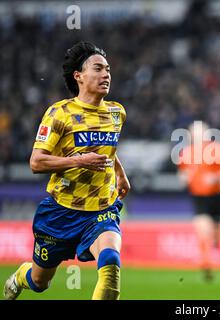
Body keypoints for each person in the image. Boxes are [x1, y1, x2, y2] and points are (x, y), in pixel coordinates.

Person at [3, 42, 130, 300]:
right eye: (98, 68)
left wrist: (119, 171)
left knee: (111, 268)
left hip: (101, 210)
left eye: (108, 69)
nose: (106, 74)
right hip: (61, 213)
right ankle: (20, 277)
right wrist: (79, 161)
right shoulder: (60, 113)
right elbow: (36, 162)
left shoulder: (117, 113)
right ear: (78, 76)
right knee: (39, 281)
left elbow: (107, 149)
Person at [177, 121, 220, 281]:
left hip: (217, 196)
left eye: (198, 132)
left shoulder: (217, 150)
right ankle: (206, 262)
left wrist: (216, 177)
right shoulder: (186, 153)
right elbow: (183, 173)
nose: (196, 135)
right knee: (202, 228)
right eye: (193, 132)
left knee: (216, 234)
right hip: (199, 196)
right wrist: (185, 178)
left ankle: (214, 252)